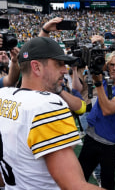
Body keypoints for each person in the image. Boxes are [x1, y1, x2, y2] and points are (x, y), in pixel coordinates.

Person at [0, 37, 105, 190]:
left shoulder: (4, 95)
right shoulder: (46, 105)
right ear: (37, 67)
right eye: (59, 64)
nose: (64, 69)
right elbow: (74, 186)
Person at [78, 50, 115, 190]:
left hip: (108, 143)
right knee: (80, 176)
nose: (114, 68)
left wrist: (98, 84)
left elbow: (108, 109)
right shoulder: (109, 82)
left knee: (107, 182)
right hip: (91, 136)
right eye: (111, 65)